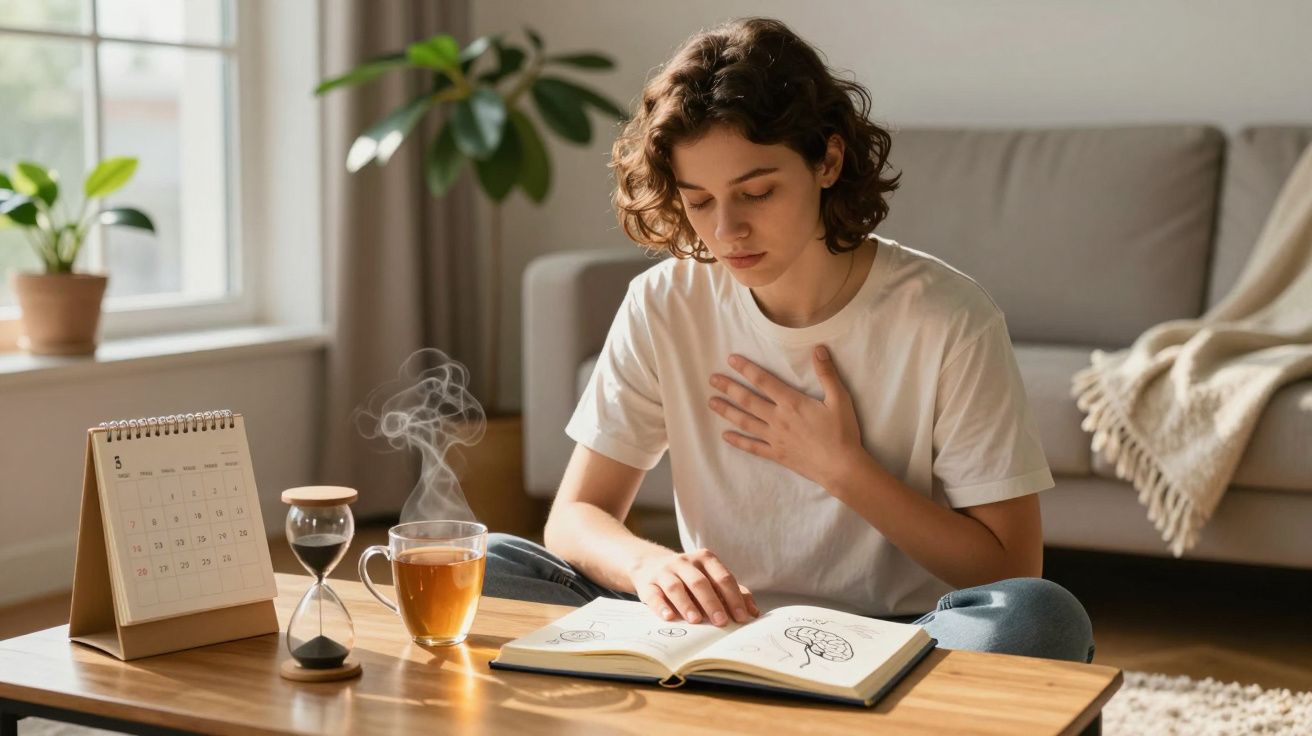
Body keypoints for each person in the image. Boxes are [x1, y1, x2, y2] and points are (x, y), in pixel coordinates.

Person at [487, 16, 1093, 664]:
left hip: (898, 641)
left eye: (757, 192)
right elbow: (576, 515)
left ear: (827, 161)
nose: (727, 231)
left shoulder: (949, 318)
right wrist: (649, 566)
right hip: (714, 629)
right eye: (699, 201)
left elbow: (1011, 569)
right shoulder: (664, 302)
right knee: (488, 564)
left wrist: (843, 468)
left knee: (1039, 618)